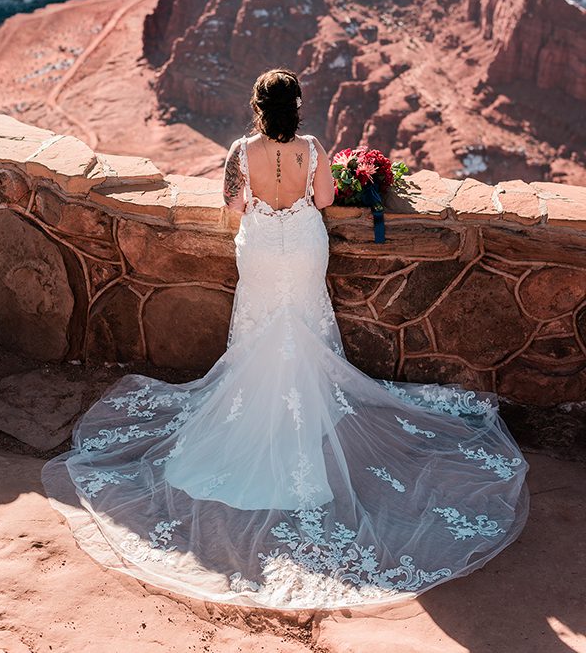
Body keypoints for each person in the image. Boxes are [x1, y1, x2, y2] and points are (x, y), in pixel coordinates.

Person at [42, 68, 529, 610]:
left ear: (257, 107)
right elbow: (322, 201)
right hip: (301, 246)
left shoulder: (239, 151)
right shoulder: (313, 148)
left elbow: (233, 205)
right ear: (295, 108)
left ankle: (256, 416)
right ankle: (312, 419)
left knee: (259, 328)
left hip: (260, 249)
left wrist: (261, 206)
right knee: (304, 325)